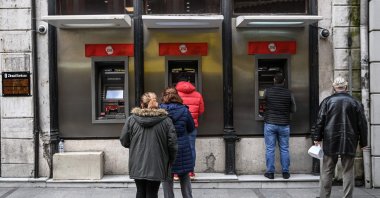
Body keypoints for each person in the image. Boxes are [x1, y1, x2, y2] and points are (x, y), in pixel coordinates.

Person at [313, 77, 368, 198]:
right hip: (349, 140)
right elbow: (362, 124)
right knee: (348, 170)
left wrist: (317, 137)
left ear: (334, 88)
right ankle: (347, 196)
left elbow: (319, 121)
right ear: (346, 87)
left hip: (330, 139)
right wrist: (364, 143)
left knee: (327, 170)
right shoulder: (355, 102)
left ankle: (323, 196)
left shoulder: (327, 101)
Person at [120, 92, 178, 198]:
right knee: (152, 192)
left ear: (142, 104)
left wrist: (135, 147)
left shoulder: (131, 120)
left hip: (137, 162)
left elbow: (124, 140)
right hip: (157, 162)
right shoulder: (166, 121)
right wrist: (170, 159)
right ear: (156, 104)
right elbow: (172, 144)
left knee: (140, 191)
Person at [160, 87, 195, 198]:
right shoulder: (184, 110)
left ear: (164, 96)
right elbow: (191, 128)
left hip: (165, 147)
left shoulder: (160, 111)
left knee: (167, 177)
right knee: (184, 176)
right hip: (182, 146)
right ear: (177, 95)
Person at [263, 73, 296, 179]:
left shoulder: (267, 91)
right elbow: (294, 109)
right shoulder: (289, 93)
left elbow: (264, 103)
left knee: (270, 148)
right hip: (284, 124)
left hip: (270, 123)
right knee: (285, 148)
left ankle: (270, 173)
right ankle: (285, 173)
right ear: (284, 81)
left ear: (274, 80)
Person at [175, 76, 205, 180]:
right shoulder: (198, 95)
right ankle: (191, 172)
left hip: (178, 125)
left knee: (177, 147)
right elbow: (201, 110)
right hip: (192, 126)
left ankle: (176, 173)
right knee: (191, 148)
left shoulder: (175, 94)